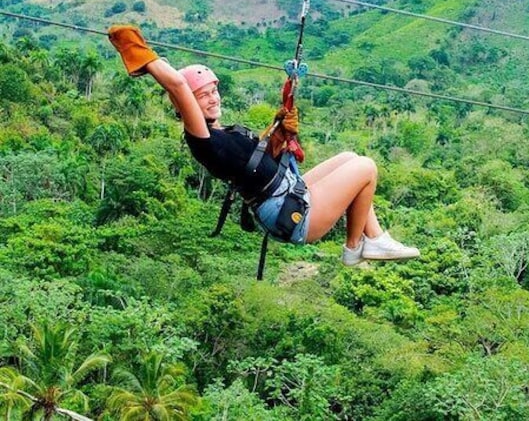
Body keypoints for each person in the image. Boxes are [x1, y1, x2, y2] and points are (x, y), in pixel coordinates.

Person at [106, 24, 420, 266]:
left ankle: (373, 238)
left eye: (214, 91)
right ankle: (357, 247)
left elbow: (259, 161)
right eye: (203, 95)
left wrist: (279, 133)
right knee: (366, 167)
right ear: (187, 104)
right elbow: (175, 84)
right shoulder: (201, 138)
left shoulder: (226, 134)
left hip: (289, 190)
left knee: (350, 157)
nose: (213, 98)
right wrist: (135, 48)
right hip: (291, 214)